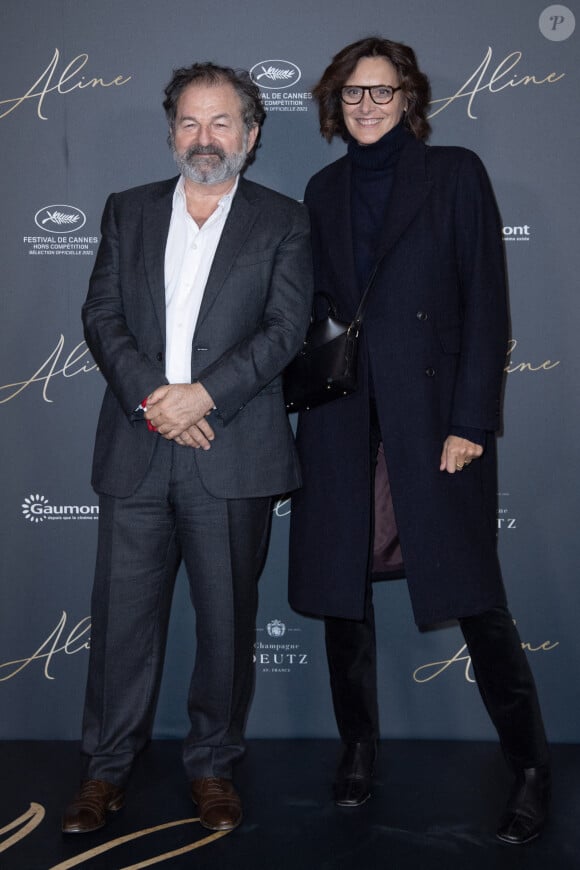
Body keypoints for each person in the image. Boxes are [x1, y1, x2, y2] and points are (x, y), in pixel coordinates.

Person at [289, 37, 550, 845]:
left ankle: (532, 767)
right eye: (353, 94)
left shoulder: (455, 173)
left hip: (435, 420)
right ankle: (359, 749)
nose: (367, 106)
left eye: (382, 91)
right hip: (341, 419)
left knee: (475, 596)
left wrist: (471, 422)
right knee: (342, 598)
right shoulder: (322, 188)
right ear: (335, 103)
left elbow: (486, 305)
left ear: (410, 97)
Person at [62, 62, 313, 835]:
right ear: (172, 132)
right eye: (190, 124)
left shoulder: (284, 220)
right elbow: (102, 315)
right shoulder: (127, 210)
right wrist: (157, 400)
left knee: (227, 625)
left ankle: (212, 767)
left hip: (232, 451)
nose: (205, 139)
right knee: (121, 626)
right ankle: (105, 772)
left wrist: (203, 395)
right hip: (138, 448)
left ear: (252, 133)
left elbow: (287, 329)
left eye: (222, 123)